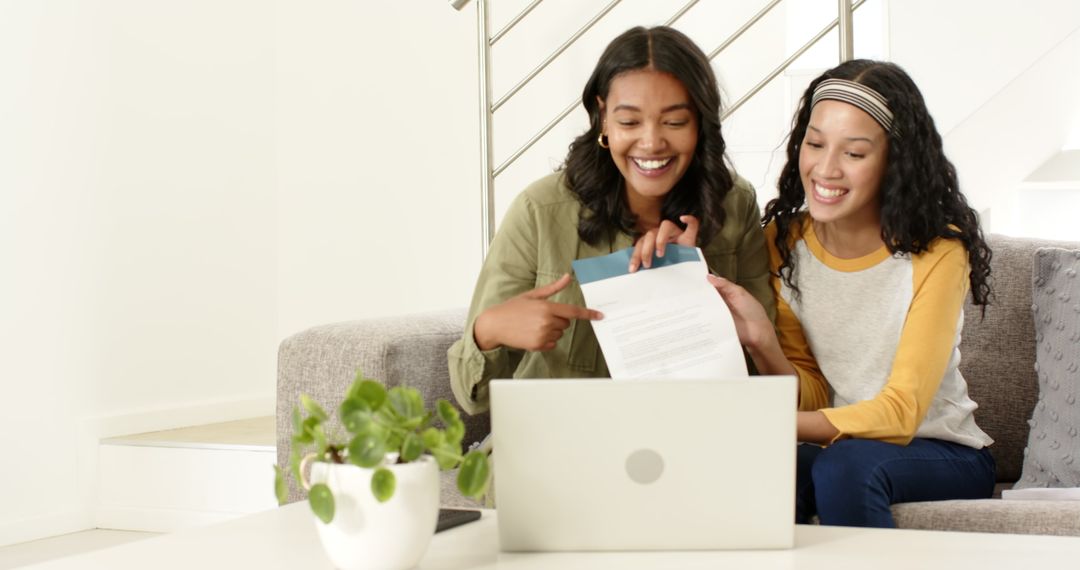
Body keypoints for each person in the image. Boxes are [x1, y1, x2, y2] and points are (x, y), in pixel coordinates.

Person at [709, 59, 996, 528]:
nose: (825, 168)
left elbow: (903, 413)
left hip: (942, 450)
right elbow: (815, 393)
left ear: (893, 162)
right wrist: (762, 342)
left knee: (843, 467)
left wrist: (764, 425)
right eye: (815, 143)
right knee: (763, 469)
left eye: (854, 154)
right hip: (839, 444)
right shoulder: (783, 243)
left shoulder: (937, 250)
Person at [448, 25, 776, 415]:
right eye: (629, 122)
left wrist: (692, 288)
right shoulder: (540, 210)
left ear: (700, 125)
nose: (652, 142)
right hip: (556, 441)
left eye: (674, 122)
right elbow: (472, 399)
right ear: (602, 117)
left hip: (687, 438)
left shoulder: (735, 204)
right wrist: (491, 332)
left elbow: (762, 377)